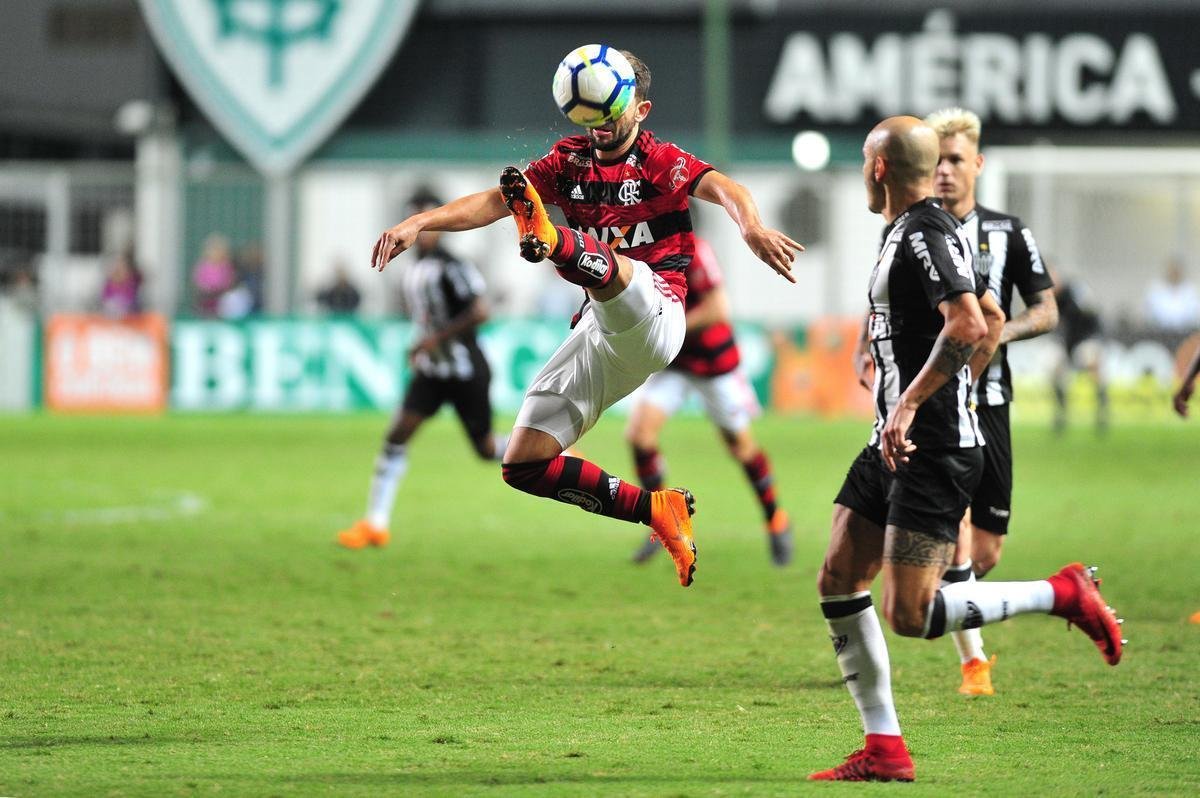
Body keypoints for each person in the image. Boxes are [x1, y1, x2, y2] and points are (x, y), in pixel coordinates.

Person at [369, 49, 801, 586]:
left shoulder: (660, 160)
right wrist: (420, 222)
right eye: (590, 113)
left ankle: (550, 240)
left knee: (618, 272)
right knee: (523, 463)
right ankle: (656, 511)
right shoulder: (568, 161)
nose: (599, 124)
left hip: (659, 311)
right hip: (602, 328)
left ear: (640, 110)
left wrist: (751, 225)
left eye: (611, 112)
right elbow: (491, 201)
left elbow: (725, 188)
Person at [811, 116, 1123, 783]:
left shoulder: (924, 231)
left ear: (878, 169)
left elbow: (973, 322)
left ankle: (1061, 593)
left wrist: (914, 400)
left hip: (933, 445)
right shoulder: (924, 230)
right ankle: (885, 750)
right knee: (838, 576)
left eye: (866, 158)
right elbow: (987, 309)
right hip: (894, 441)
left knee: (911, 613)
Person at [923, 106, 1060, 696]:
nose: (945, 172)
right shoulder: (915, 230)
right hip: (934, 403)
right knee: (953, 531)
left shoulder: (1008, 232)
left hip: (992, 399)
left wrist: (1000, 333)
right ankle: (973, 662)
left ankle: (929, 597)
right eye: (936, 162)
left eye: (955, 160)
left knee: (987, 549)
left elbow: (1047, 311)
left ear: (977, 164)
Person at [338, 189, 508, 549]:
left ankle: (551, 453)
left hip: (465, 371)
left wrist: (434, 339)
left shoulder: (453, 266)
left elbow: (480, 312)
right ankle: (375, 524)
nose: (423, 230)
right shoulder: (414, 267)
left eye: (428, 220)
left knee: (486, 449)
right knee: (396, 436)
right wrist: (426, 344)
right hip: (432, 372)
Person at [625, 236, 793, 567]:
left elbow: (718, 309)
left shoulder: (695, 249)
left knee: (741, 447)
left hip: (715, 363)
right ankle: (664, 523)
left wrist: (671, 326)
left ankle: (776, 520)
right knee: (639, 435)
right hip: (675, 363)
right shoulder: (640, 253)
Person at [1052, 270, 1108, 434]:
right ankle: (1061, 414)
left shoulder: (1075, 290)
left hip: (1088, 338)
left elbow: (1092, 310)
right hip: (1068, 343)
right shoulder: (1050, 298)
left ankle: (1102, 412)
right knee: (1055, 368)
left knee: (1091, 362)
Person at [1144, 257, 1200, 333]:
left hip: (1184, 333)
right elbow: (1152, 312)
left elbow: (1193, 312)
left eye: (1176, 270)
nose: (1174, 272)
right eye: (1172, 269)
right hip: (1159, 333)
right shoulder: (1156, 289)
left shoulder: (1189, 290)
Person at [192, 234, 235, 318]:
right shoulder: (203, 266)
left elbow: (229, 280)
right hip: (206, 294)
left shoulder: (225, 266)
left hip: (221, 295)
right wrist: (207, 287)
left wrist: (220, 287)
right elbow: (199, 279)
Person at [100, 250, 143, 319]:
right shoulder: (108, 285)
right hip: (111, 322)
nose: (118, 268)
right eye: (115, 266)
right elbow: (103, 303)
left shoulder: (132, 284)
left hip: (130, 322)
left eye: (122, 265)